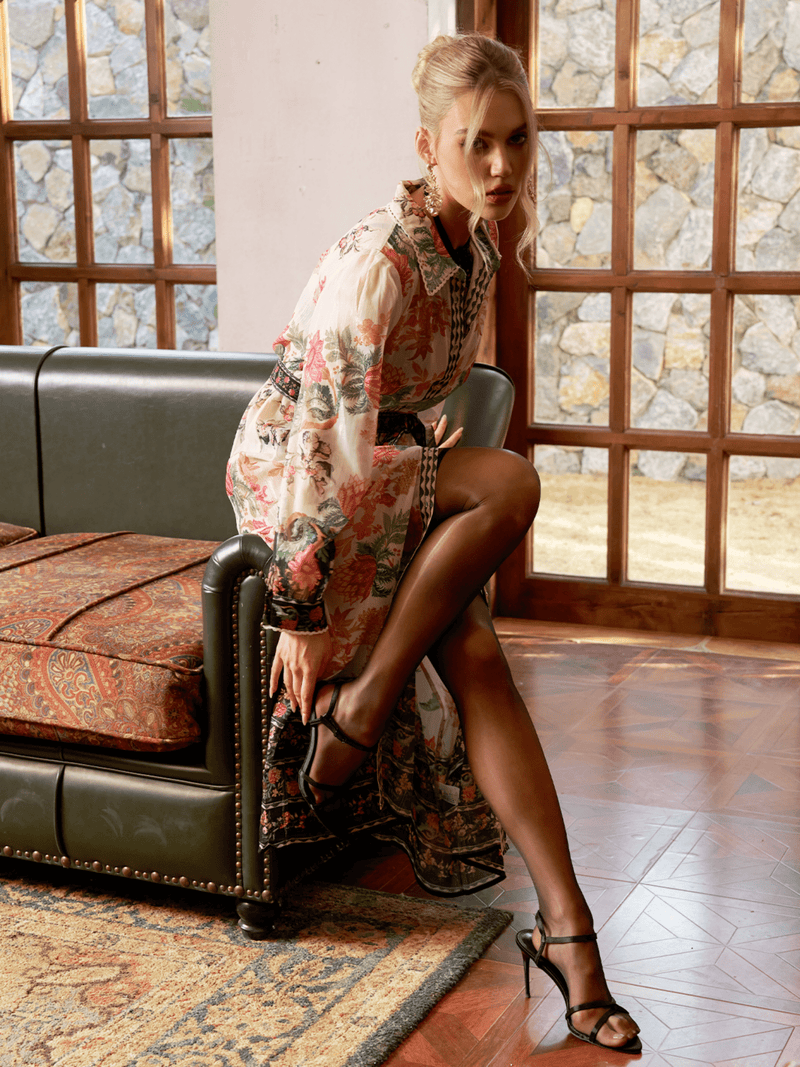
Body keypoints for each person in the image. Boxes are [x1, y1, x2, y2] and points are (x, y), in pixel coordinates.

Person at [227, 32, 641, 1054]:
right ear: (427, 144)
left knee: (474, 646)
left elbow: (394, 406)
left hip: (380, 465)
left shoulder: (480, 241)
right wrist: (303, 611)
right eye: (474, 144)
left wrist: (416, 439)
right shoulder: (380, 259)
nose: (500, 165)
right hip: (296, 480)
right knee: (510, 482)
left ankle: (570, 935)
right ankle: (363, 709)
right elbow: (319, 442)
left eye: (515, 140)